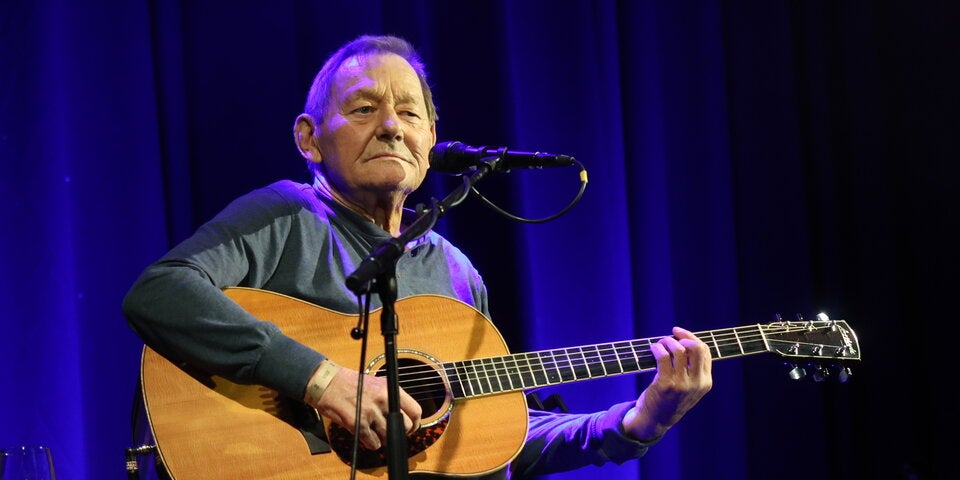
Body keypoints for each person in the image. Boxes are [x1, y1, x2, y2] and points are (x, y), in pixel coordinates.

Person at [122, 34, 713, 480]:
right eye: (362, 109)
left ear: (431, 137)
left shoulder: (455, 271)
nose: (390, 128)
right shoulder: (284, 216)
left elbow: (494, 431)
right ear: (309, 137)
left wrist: (637, 423)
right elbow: (159, 293)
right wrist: (324, 380)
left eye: (409, 112)